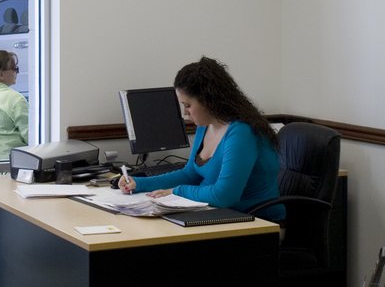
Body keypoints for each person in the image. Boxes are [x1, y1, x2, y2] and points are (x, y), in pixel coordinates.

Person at [118, 56, 280, 214]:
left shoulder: (241, 132)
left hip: (258, 223)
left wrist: (177, 191)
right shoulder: (205, 126)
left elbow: (224, 196)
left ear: (208, 100)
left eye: (188, 105)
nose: (184, 112)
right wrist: (139, 183)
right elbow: (190, 174)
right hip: (218, 216)